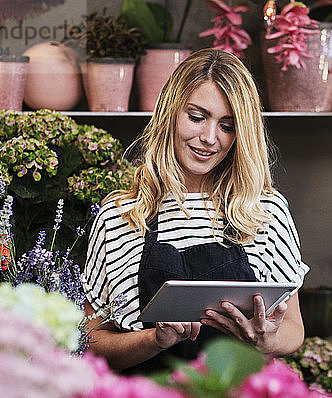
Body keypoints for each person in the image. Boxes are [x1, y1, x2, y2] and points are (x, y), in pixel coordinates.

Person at [81, 48, 309, 372]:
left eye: (227, 126)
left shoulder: (265, 210)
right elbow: (90, 340)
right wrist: (154, 340)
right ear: (170, 113)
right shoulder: (119, 216)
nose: (209, 138)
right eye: (197, 117)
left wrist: (265, 340)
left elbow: (294, 330)